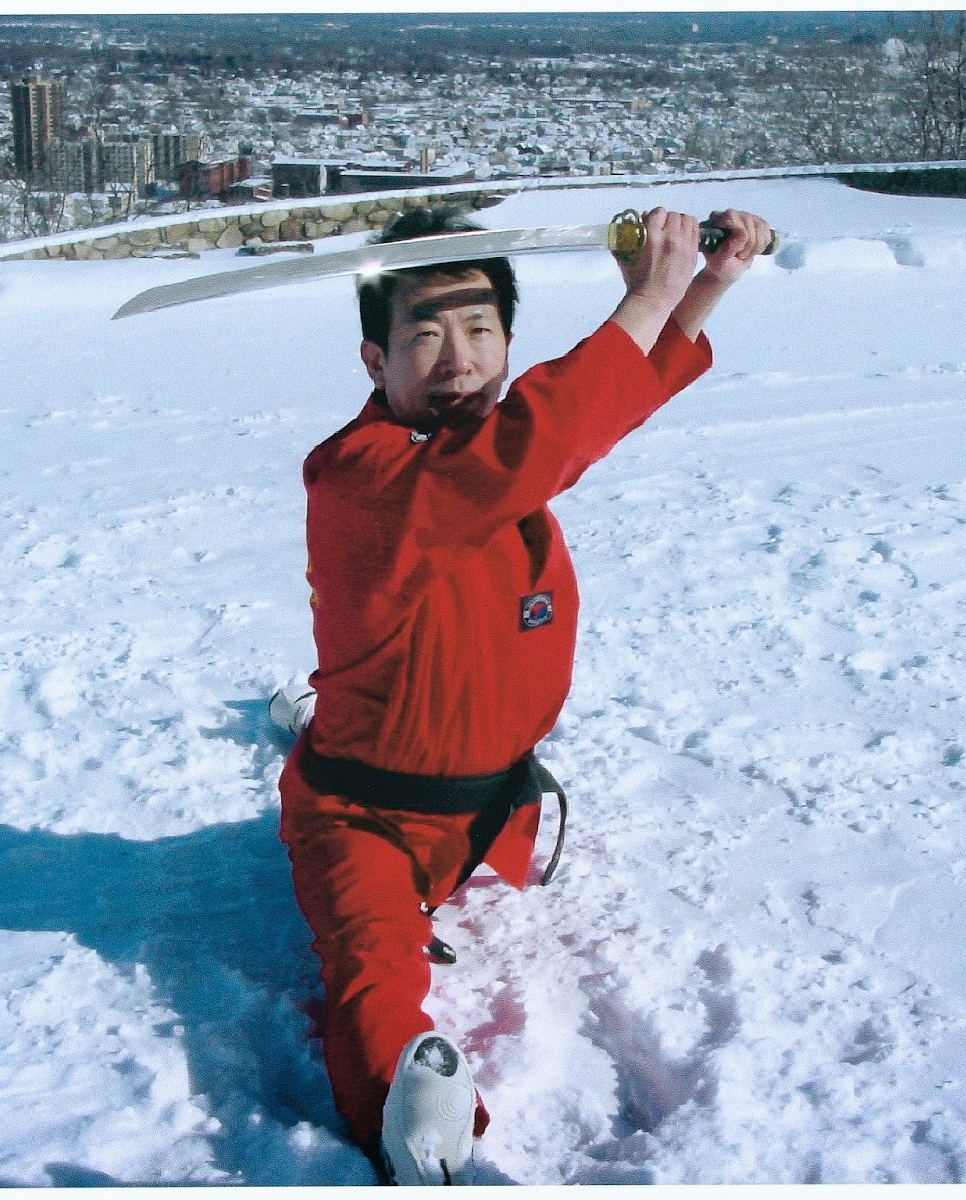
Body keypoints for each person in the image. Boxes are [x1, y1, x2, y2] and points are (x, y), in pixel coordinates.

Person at [271, 201, 774, 1184]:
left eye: (478, 329)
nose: (455, 358)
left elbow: (586, 413)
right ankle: (419, 1124)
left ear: (507, 342)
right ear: (375, 362)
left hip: (479, 818)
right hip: (362, 819)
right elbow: (539, 437)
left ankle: (307, 711)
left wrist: (699, 288)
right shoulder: (361, 481)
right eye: (423, 333)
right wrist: (651, 296)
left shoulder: (499, 473)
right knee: (371, 964)